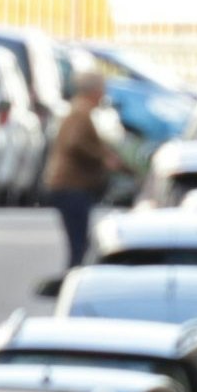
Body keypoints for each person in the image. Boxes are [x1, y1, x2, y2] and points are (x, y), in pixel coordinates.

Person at [43, 75, 124, 269]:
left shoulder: (78, 110)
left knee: (79, 240)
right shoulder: (80, 112)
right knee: (79, 240)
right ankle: (74, 274)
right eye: (102, 90)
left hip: (70, 185)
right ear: (94, 91)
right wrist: (102, 157)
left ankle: (74, 270)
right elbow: (75, 142)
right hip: (72, 185)